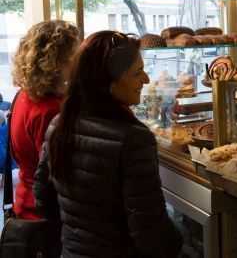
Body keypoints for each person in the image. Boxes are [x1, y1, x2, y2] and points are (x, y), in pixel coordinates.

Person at [34, 31, 182, 258]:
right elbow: (150, 232)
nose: (146, 80)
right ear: (109, 83)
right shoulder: (133, 139)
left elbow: (43, 199)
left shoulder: (59, 124)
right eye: (137, 73)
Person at [10, 20, 80, 219]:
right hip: (44, 212)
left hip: (25, 198)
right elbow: (57, 174)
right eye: (74, 55)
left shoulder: (24, 95)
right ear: (57, 61)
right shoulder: (50, 110)